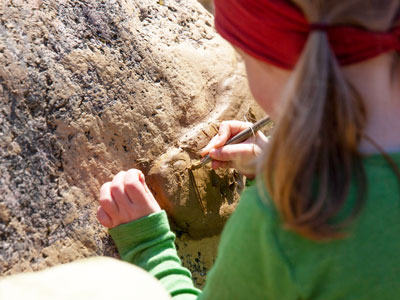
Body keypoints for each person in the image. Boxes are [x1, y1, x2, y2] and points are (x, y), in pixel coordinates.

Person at [96, 0, 400, 299]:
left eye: (243, 59)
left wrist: (147, 247)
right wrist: (275, 168)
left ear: (278, 59)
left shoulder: (284, 224)